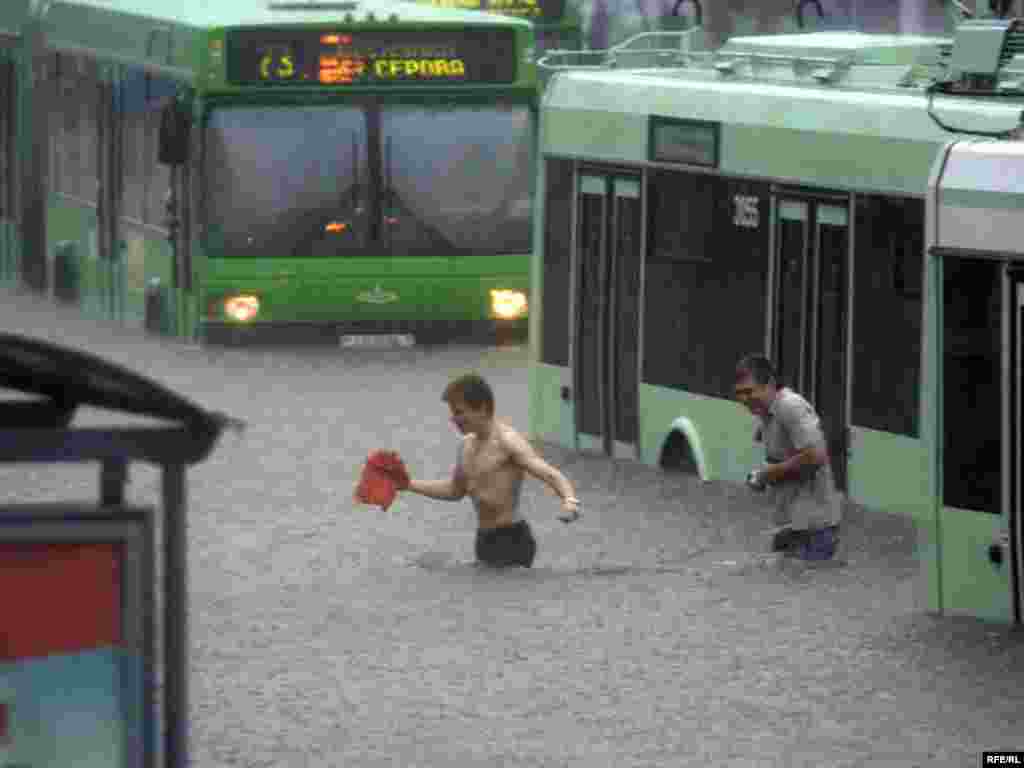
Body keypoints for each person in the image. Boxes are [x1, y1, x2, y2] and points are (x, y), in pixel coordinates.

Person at [364, 373, 581, 568]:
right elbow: (455, 491)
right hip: (484, 539)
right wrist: (407, 484)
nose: (454, 419)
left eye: (459, 412)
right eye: (452, 413)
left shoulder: (508, 441)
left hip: (513, 538)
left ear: (483, 408)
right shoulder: (466, 446)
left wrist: (569, 501)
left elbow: (549, 474)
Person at [734, 355, 842, 560]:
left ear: (770, 384)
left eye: (749, 391)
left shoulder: (790, 406)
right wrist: (764, 477)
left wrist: (769, 474)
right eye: (739, 393)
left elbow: (815, 455)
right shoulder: (765, 413)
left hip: (814, 530)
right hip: (790, 525)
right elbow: (786, 462)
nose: (744, 399)